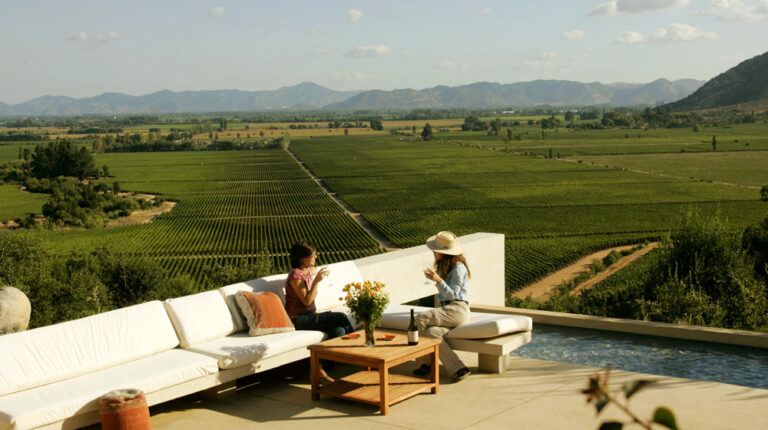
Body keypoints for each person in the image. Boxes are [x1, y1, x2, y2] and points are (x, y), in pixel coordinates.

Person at [284, 240, 353, 384]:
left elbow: (314, 269)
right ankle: (360, 352)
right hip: (299, 319)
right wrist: (316, 282)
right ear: (303, 259)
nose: (316, 257)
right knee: (341, 317)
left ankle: (319, 369)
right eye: (313, 255)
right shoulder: (295, 276)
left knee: (339, 331)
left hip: (310, 316)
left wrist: (319, 272)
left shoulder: (307, 270)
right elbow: (307, 301)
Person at [413, 231, 472, 381]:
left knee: (420, 319)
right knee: (432, 332)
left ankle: (424, 362)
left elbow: (453, 295)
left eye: (436, 250)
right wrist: (438, 279)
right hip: (448, 311)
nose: (433, 252)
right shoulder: (447, 266)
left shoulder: (458, 268)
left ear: (444, 252)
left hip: (457, 310)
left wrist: (438, 280)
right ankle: (459, 368)